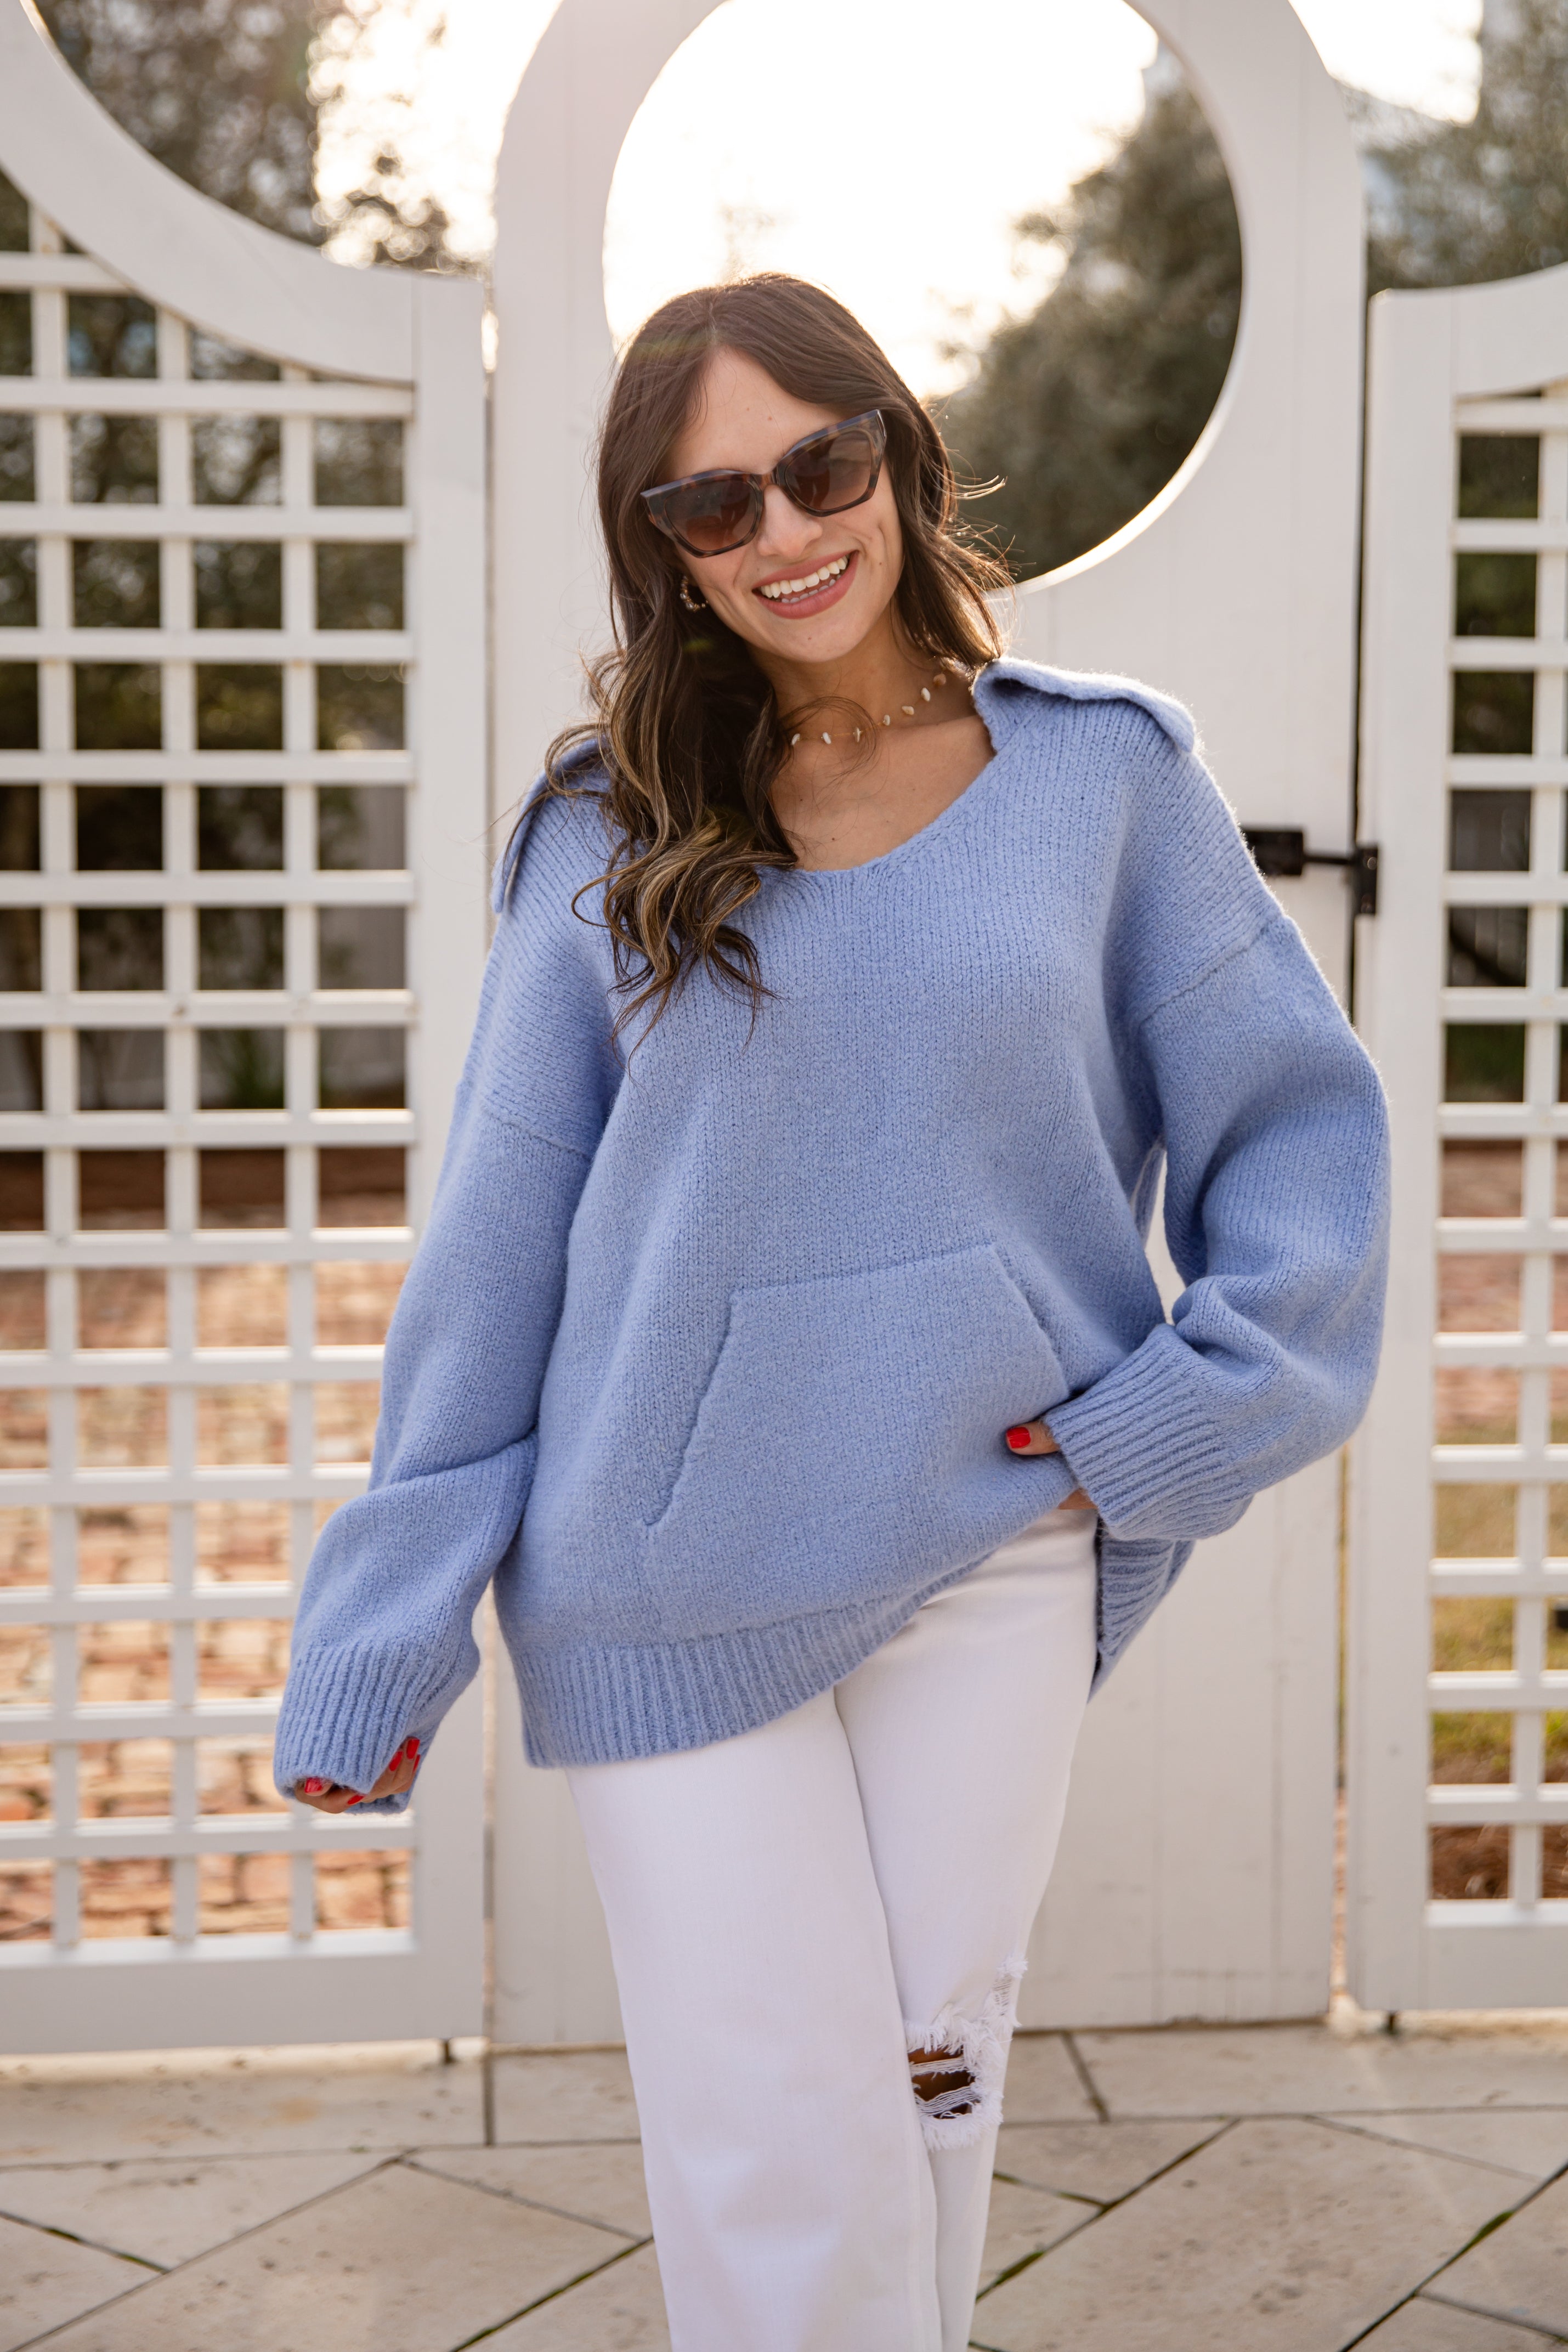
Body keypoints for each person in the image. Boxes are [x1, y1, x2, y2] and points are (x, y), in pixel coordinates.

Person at [275, 273, 1389, 2351]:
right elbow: (499, 1248)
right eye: (714, 505)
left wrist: (1177, 1418)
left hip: (988, 1554)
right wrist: (384, 1628)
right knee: (780, 2135)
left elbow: (1300, 1140)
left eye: (820, 465)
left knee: (926, 2092)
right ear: (663, 550)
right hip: (662, 1574)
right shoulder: (605, 835)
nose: (785, 532)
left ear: (895, 455)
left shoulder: (1107, 782)